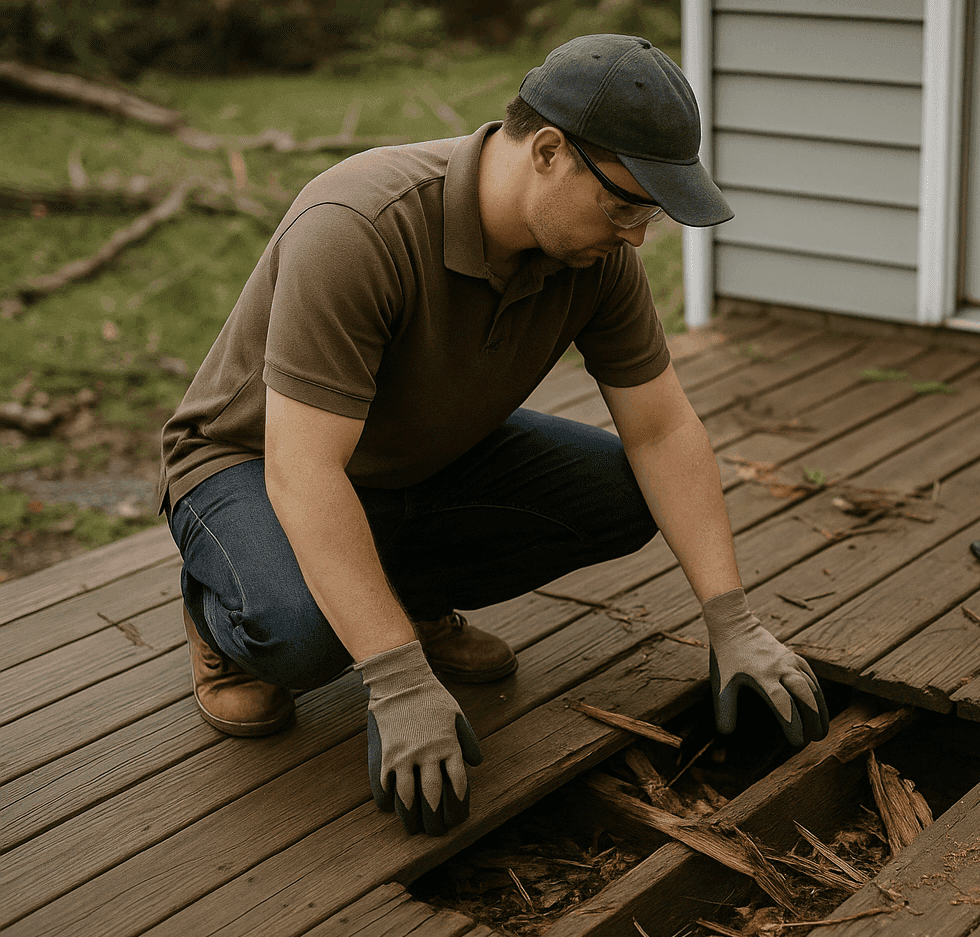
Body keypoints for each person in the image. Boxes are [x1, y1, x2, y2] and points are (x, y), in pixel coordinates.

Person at [157, 34, 829, 838]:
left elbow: (662, 430)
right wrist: (397, 680)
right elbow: (304, 473)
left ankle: (403, 600)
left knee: (618, 496)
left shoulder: (594, 257)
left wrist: (733, 621)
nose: (637, 235)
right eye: (626, 205)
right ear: (549, 150)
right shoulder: (360, 224)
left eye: (650, 213)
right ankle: (219, 615)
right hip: (250, 461)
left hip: (418, 457)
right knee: (303, 643)